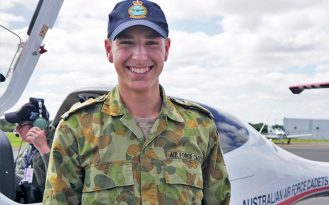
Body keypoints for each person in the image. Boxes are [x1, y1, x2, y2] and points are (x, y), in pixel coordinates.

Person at [43, 0, 231, 204]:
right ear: (108, 49)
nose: (140, 56)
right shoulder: (76, 128)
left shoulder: (200, 127)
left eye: (151, 43)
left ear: (166, 49)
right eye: (126, 42)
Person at [5, 97, 53, 203]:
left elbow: (62, 181)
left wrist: (44, 149)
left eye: (20, 125)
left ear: (38, 125)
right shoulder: (30, 145)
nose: (16, 130)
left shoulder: (58, 144)